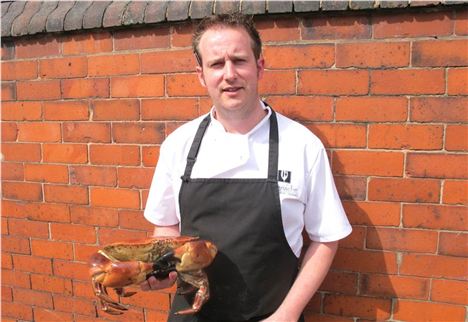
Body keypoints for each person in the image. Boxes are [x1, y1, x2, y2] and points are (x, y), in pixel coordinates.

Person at [142, 13, 352, 322]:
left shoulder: (303, 146)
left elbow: (326, 238)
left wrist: (288, 315)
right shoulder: (178, 145)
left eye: (239, 60)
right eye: (216, 64)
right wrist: (166, 267)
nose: (229, 74)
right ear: (201, 75)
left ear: (259, 67)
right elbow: (166, 225)